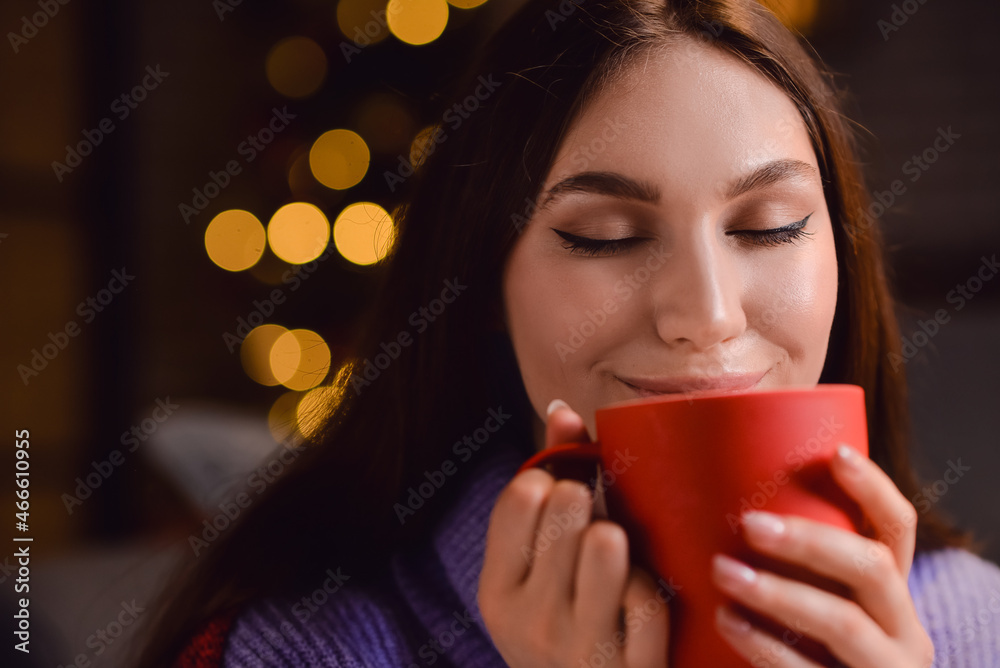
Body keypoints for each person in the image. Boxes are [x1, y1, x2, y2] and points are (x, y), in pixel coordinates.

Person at [138, 0, 1000, 666]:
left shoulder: (975, 624)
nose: (706, 315)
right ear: (479, 284)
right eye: (606, 237)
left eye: (769, 226)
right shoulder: (302, 643)